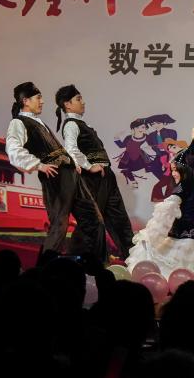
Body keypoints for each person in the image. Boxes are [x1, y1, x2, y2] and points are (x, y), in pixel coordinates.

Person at [125, 123, 194, 284]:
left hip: (187, 240)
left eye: (176, 170)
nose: (174, 173)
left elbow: (165, 214)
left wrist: (152, 236)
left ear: (185, 170)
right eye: (173, 170)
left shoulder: (185, 185)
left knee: (150, 253)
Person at [4, 82, 103, 257]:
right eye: (38, 98)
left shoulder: (38, 121)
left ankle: (83, 261)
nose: (42, 102)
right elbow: (13, 149)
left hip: (71, 174)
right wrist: (38, 165)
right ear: (25, 101)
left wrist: (72, 163)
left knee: (94, 220)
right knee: (59, 225)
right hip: (55, 177)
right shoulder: (19, 122)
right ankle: (45, 267)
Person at [56, 84, 134, 260]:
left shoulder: (82, 124)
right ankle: (77, 260)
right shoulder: (71, 125)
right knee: (91, 223)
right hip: (92, 180)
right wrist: (89, 166)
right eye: (78, 99)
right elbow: (71, 149)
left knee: (119, 218)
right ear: (67, 104)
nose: (83, 102)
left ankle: (133, 257)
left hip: (105, 177)